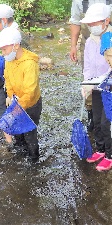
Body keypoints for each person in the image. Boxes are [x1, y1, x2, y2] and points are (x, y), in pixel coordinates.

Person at [0, 27, 42, 162]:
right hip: (15, 102)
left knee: (30, 134)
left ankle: (34, 159)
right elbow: (7, 79)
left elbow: (30, 91)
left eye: (4, 49)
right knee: (17, 132)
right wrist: (9, 96)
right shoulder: (9, 61)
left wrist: (17, 108)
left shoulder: (29, 64)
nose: (3, 53)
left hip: (31, 104)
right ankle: (20, 152)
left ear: (16, 45)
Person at [69, 0, 112, 132]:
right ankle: (93, 116)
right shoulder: (88, 43)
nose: (91, 25)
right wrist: (73, 45)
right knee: (93, 90)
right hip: (90, 40)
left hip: (108, 38)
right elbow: (75, 21)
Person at [80, 4, 112, 171]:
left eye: (95, 23)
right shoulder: (90, 41)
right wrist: (86, 83)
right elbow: (88, 66)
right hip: (96, 87)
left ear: (106, 21)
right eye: (89, 24)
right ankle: (100, 149)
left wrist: (100, 80)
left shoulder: (110, 38)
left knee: (108, 123)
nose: (92, 27)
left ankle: (109, 154)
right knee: (97, 120)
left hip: (109, 88)